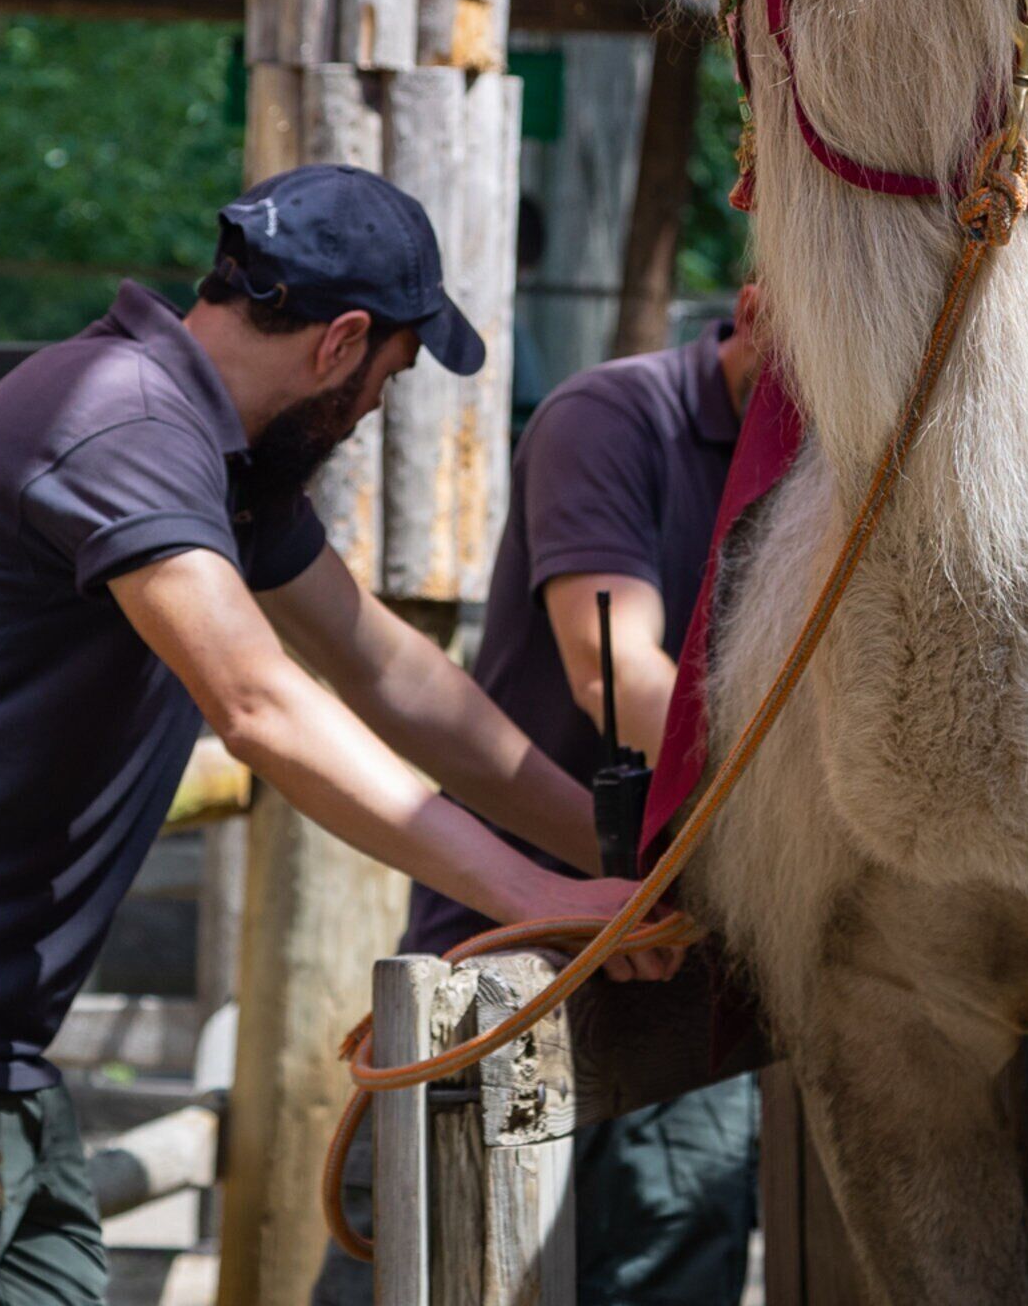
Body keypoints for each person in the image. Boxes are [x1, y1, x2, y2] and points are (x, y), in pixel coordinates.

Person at [0, 166, 670, 1306]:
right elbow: (259, 705)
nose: (371, 416)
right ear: (341, 340)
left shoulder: (226, 461)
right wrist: (528, 893)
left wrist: (616, 861)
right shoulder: (126, 418)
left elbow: (387, 671)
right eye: (388, 381)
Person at [314, 285, 771, 1306]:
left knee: (678, 1250)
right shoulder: (612, 417)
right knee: (433, 1261)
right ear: (758, 310)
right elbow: (611, 675)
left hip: (699, 955)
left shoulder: (836, 459)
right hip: (517, 939)